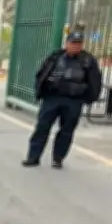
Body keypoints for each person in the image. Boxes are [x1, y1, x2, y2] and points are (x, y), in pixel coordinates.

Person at [22, 29, 102, 169]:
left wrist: (89, 98)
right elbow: (42, 73)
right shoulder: (55, 57)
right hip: (52, 98)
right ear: (66, 43)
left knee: (66, 131)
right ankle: (33, 157)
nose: (75, 46)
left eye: (78, 43)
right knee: (42, 127)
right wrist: (40, 91)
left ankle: (58, 158)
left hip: (73, 101)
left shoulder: (88, 61)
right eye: (73, 43)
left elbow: (95, 81)